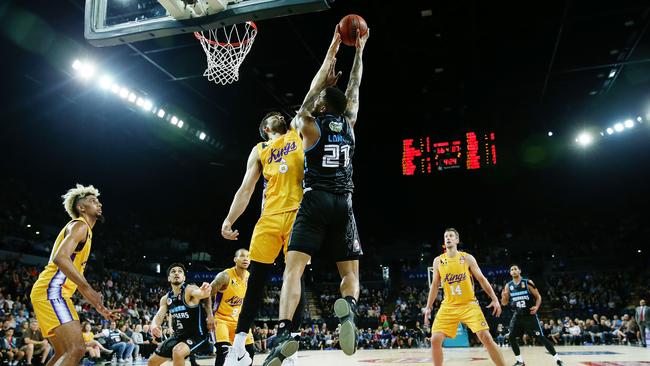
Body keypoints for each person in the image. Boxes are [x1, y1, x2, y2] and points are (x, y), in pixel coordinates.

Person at [263, 24, 369, 366]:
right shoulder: (350, 122)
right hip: (345, 203)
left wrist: (333, 49)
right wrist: (360, 50)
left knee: (293, 270)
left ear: (322, 105)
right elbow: (355, 85)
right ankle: (349, 310)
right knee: (350, 275)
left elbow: (313, 89)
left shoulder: (310, 124)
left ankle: (283, 332)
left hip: (314, 200)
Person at [220, 80, 306, 366]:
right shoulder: (259, 150)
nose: (276, 116)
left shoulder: (296, 133)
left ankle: (288, 348)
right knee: (255, 282)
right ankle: (238, 349)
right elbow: (246, 189)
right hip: (268, 218)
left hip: (298, 214)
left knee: (295, 278)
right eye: (270, 119)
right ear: (265, 129)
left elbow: (309, 100)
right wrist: (229, 219)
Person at [29, 184, 113, 366]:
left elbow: (70, 272)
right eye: (92, 201)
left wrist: (97, 304)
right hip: (51, 291)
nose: (98, 204)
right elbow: (60, 258)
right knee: (76, 349)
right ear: (80, 207)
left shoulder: (86, 231)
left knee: (63, 352)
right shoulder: (80, 226)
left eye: (98, 201)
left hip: (53, 292)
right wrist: (88, 289)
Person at [423, 228, 505, 366]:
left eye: (451, 236)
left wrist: (495, 299)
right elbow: (435, 285)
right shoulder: (438, 261)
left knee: (485, 337)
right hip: (448, 306)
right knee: (435, 339)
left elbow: (482, 279)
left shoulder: (467, 258)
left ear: (457, 240)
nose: (448, 238)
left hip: (469, 304)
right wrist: (428, 307)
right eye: (446, 236)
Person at [147, 264, 212, 366]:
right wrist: (154, 325)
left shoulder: (189, 289)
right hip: (178, 336)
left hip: (197, 336)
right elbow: (159, 316)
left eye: (180, 271)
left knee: (178, 352)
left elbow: (200, 293)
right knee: (152, 362)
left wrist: (203, 292)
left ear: (184, 278)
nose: (176, 273)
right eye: (173, 271)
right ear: (169, 278)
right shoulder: (166, 298)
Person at [501, 264, 563, 365]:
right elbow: (504, 303)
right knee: (511, 337)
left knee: (541, 337)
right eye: (511, 269)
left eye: (515, 269)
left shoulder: (528, 282)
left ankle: (558, 359)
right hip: (517, 316)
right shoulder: (508, 285)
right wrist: (503, 297)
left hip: (530, 316)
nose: (513, 270)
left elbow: (538, 297)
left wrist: (537, 307)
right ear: (510, 272)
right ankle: (520, 361)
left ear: (519, 271)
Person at [210, 249, 255, 366]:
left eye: (248, 257)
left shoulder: (250, 278)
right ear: (235, 259)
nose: (245, 259)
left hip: (239, 321)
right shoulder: (225, 276)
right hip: (221, 320)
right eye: (242, 256)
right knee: (223, 352)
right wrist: (209, 315)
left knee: (250, 351)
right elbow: (207, 294)